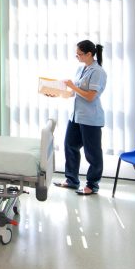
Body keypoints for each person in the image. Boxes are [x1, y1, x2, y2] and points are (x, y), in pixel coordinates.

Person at [54, 40, 107, 195]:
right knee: (69, 146)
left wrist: (72, 86)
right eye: (76, 54)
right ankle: (71, 180)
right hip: (76, 116)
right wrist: (55, 92)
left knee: (92, 153)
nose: (77, 56)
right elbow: (73, 93)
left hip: (90, 118)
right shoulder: (81, 69)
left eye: (79, 54)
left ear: (89, 54)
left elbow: (90, 96)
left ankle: (92, 185)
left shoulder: (98, 72)